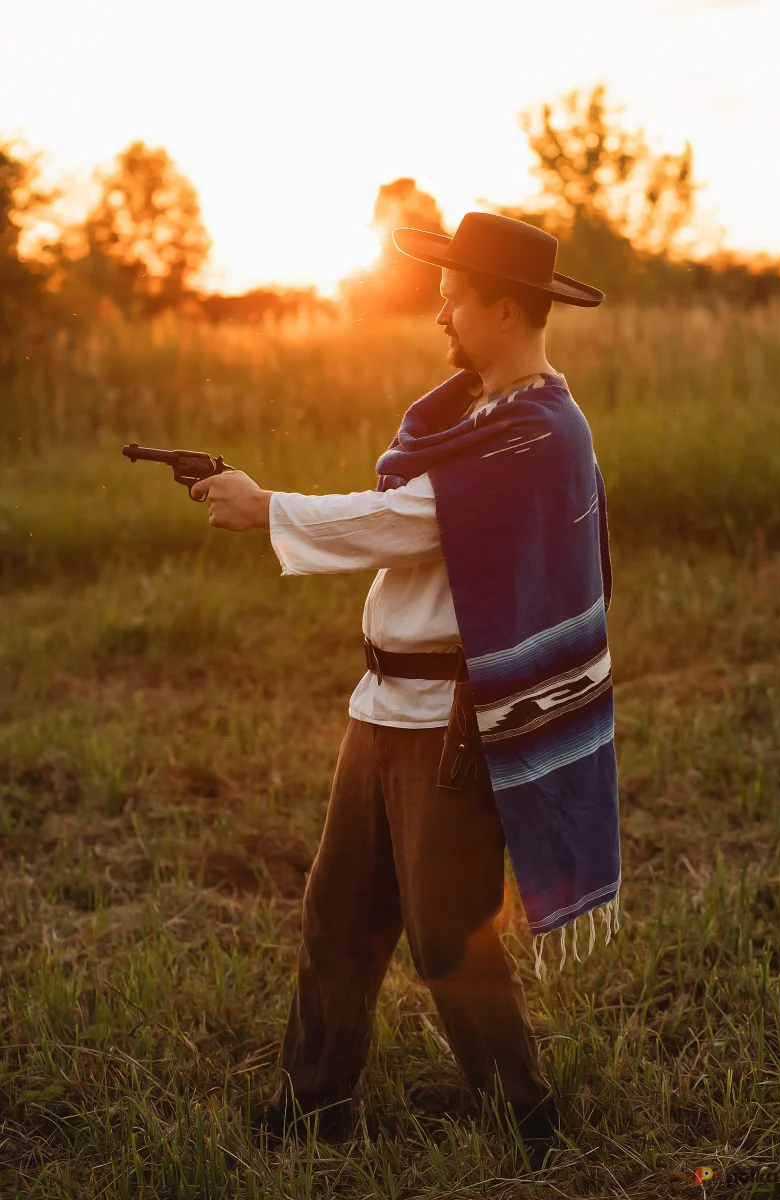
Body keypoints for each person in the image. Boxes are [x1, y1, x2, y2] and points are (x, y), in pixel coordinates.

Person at [191, 212, 621, 1151]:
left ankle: (524, 1119)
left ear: (505, 310)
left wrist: (268, 508)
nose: (441, 317)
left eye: (454, 300)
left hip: (453, 719)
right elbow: (406, 508)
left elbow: (411, 524)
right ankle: (312, 1107)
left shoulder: (540, 432)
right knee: (338, 909)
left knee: (444, 934)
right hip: (380, 703)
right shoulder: (466, 413)